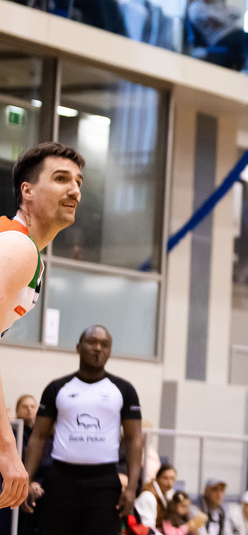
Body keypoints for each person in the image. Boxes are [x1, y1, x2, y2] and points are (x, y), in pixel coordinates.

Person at [0, 143, 84, 511]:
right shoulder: (17, 246)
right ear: (28, 191)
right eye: (61, 179)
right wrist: (7, 449)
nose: (74, 190)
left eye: (78, 182)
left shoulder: (26, 251)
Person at [23, 324, 145, 534]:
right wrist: (26, 480)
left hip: (104, 483)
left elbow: (134, 439)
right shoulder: (57, 388)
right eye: (92, 342)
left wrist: (133, 487)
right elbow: (38, 436)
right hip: (61, 480)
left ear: (110, 351)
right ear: (78, 347)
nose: (98, 348)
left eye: (104, 344)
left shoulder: (124, 390)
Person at [187, 0, 248, 70]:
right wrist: (225, 17)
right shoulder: (196, 7)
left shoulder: (217, 4)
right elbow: (216, 22)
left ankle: (247, 68)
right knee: (245, 37)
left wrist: (222, 17)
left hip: (231, 36)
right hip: (217, 39)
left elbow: (237, 12)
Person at [136, 463, 178, 529]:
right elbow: (148, 529)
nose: (169, 482)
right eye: (165, 478)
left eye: (172, 479)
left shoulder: (167, 495)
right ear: (157, 478)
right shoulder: (148, 496)